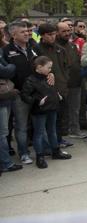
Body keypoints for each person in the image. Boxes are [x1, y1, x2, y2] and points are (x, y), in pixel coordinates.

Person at [20, 56, 72, 169]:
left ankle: (56, 151)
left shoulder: (48, 77)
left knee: (52, 130)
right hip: (39, 110)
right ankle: (40, 156)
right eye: (48, 67)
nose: (50, 70)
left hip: (52, 108)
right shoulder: (30, 80)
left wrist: (57, 96)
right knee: (39, 133)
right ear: (39, 67)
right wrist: (37, 101)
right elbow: (24, 95)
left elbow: (52, 89)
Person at [4, 22, 42, 165]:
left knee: (39, 124)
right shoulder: (6, 51)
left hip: (37, 92)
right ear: (13, 35)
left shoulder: (34, 47)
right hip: (20, 95)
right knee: (21, 126)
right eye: (23, 32)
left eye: (27, 31)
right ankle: (24, 153)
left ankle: (41, 149)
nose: (27, 33)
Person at [37, 23, 73, 147]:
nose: (52, 37)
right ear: (42, 35)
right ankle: (50, 143)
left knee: (60, 116)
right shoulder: (37, 49)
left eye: (54, 34)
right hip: (46, 90)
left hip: (61, 87)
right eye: (49, 35)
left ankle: (59, 139)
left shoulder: (60, 49)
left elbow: (67, 67)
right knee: (49, 120)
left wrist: (64, 80)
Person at [56, 22, 86, 139]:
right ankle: (62, 133)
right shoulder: (55, 47)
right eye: (63, 31)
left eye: (68, 30)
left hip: (76, 82)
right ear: (57, 32)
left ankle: (75, 130)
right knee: (62, 111)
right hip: (61, 84)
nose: (67, 33)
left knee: (75, 109)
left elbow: (77, 61)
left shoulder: (72, 45)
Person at [0, 30, 21, 173]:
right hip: (2, 98)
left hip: (6, 97)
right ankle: (6, 163)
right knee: (2, 133)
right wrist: (12, 66)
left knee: (4, 131)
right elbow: (7, 70)